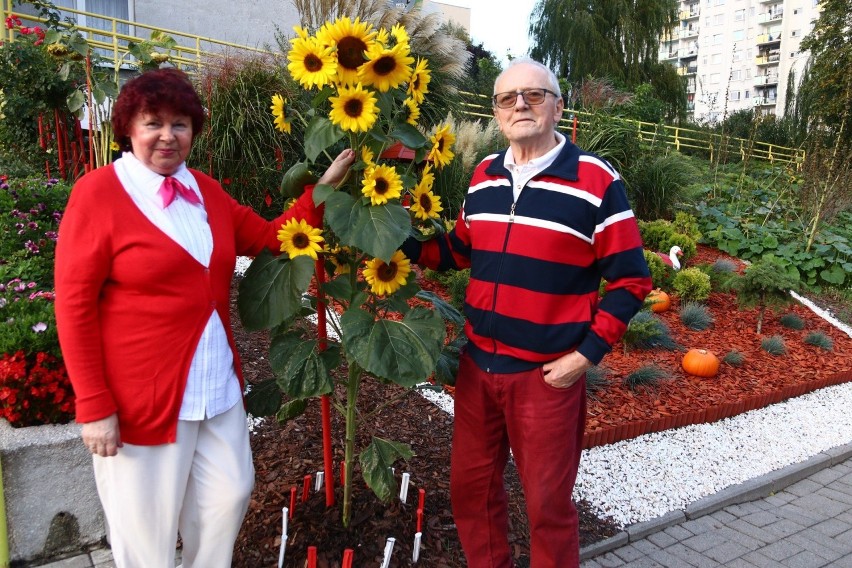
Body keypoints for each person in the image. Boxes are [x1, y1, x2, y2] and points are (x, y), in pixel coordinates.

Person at [54, 67, 354, 568]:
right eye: (153, 123)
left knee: (229, 496)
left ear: (194, 131)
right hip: (143, 398)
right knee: (146, 534)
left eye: (180, 125)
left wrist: (321, 189)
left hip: (215, 386)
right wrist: (94, 404)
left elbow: (271, 237)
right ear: (129, 128)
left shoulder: (205, 191)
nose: (167, 136)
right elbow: (74, 304)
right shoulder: (98, 194)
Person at [403, 59, 652, 567]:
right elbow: (459, 250)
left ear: (558, 106)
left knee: (547, 507)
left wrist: (585, 356)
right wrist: (398, 243)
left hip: (546, 377)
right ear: (496, 113)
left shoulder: (595, 181)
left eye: (534, 95)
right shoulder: (484, 177)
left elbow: (631, 279)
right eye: (507, 97)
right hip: (478, 369)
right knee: (471, 492)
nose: (520, 104)